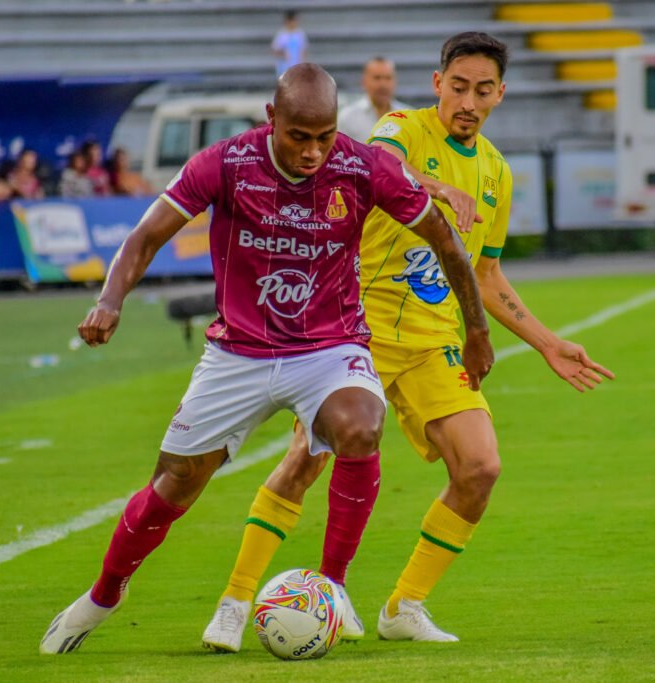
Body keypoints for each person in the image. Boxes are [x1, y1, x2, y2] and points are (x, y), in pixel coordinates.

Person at [39, 63, 494, 655]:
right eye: (298, 137)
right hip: (240, 352)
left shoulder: (362, 166)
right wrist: (109, 301)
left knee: (360, 426)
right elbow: (146, 236)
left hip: (331, 347)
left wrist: (477, 327)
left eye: (324, 137)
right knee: (177, 481)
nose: (312, 152)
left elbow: (445, 240)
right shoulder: (225, 163)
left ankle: (332, 587)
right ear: (270, 118)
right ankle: (105, 592)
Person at [201, 32, 615, 652]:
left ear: (500, 94)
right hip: (350, 326)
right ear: (436, 84)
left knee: (480, 467)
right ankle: (234, 601)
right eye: (457, 87)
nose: (467, 101)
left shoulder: (497, 173)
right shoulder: (401, 127)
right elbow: (382, 169)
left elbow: (487, 274)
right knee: (306, 463)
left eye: (482, 90)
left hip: (431, 339)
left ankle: (404, 606)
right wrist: (437, 189)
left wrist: (546, 341)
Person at [337, 56, 410, 142]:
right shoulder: (347, 117)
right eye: (377, 78)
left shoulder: (408, 117)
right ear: (364, 82)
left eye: (388, 78)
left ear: (395, 81)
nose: (383, 85)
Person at [270, 10, 307, 77]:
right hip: (284, 67)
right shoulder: (282, 34)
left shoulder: (300, 34)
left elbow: (303, 50)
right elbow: (275, 50)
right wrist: (283, 54)